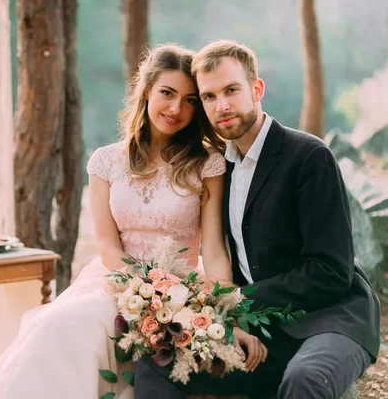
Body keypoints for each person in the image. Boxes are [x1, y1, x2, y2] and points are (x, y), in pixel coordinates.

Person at [0, 43, 237, 399]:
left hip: (182, 288)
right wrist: (144, 291)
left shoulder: (207, 164)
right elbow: (109, 245)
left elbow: (216, 247)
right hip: (115, 281)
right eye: (167, 93)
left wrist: (226, 302)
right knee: (64, 325)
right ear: (146, 91)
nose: (176, 108)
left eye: (190, 100)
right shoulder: (106, 161)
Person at [135, 39, 381, 399]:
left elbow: (332, 271)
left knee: (305, 379)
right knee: (156, 361)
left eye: (232, 90)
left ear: (256, 88)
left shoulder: (308, 156)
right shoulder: (220, 169)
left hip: (331, 320)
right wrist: (226, 318)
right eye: (209, 96)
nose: (222, 105)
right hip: (266, 331)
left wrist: (240, 299)